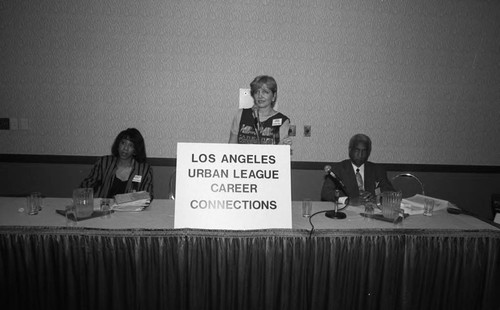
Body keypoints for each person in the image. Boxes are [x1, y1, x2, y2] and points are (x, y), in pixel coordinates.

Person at [80, 128, 154, 199]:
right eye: (123, 143)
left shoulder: (144, 170)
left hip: (130, 210)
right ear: (118, 145)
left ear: (135, 150)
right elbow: (86, 186)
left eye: (130, 145)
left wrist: (136, 198)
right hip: (104, 208)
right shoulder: (104, 163)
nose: (125, 148)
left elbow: (148, 195)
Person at [321, 133, 394, 205]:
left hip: (371, 210)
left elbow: (390, 192)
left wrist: (377, 198)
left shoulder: (377, 170)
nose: (360, 155)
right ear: (350, 150)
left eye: (364, 151)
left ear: (369, 152)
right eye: (357, 150)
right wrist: (348, 200)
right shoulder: (338, 169)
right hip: (347, 212)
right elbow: (326, 193)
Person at [229, 75, 291, 145]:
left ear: (274, 96)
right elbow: (232, 146)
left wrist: (284, 146)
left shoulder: (282, 120)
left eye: (265, 92)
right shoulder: (241, 114)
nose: (260, 96)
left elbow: (280, 153)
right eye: (256, 92)